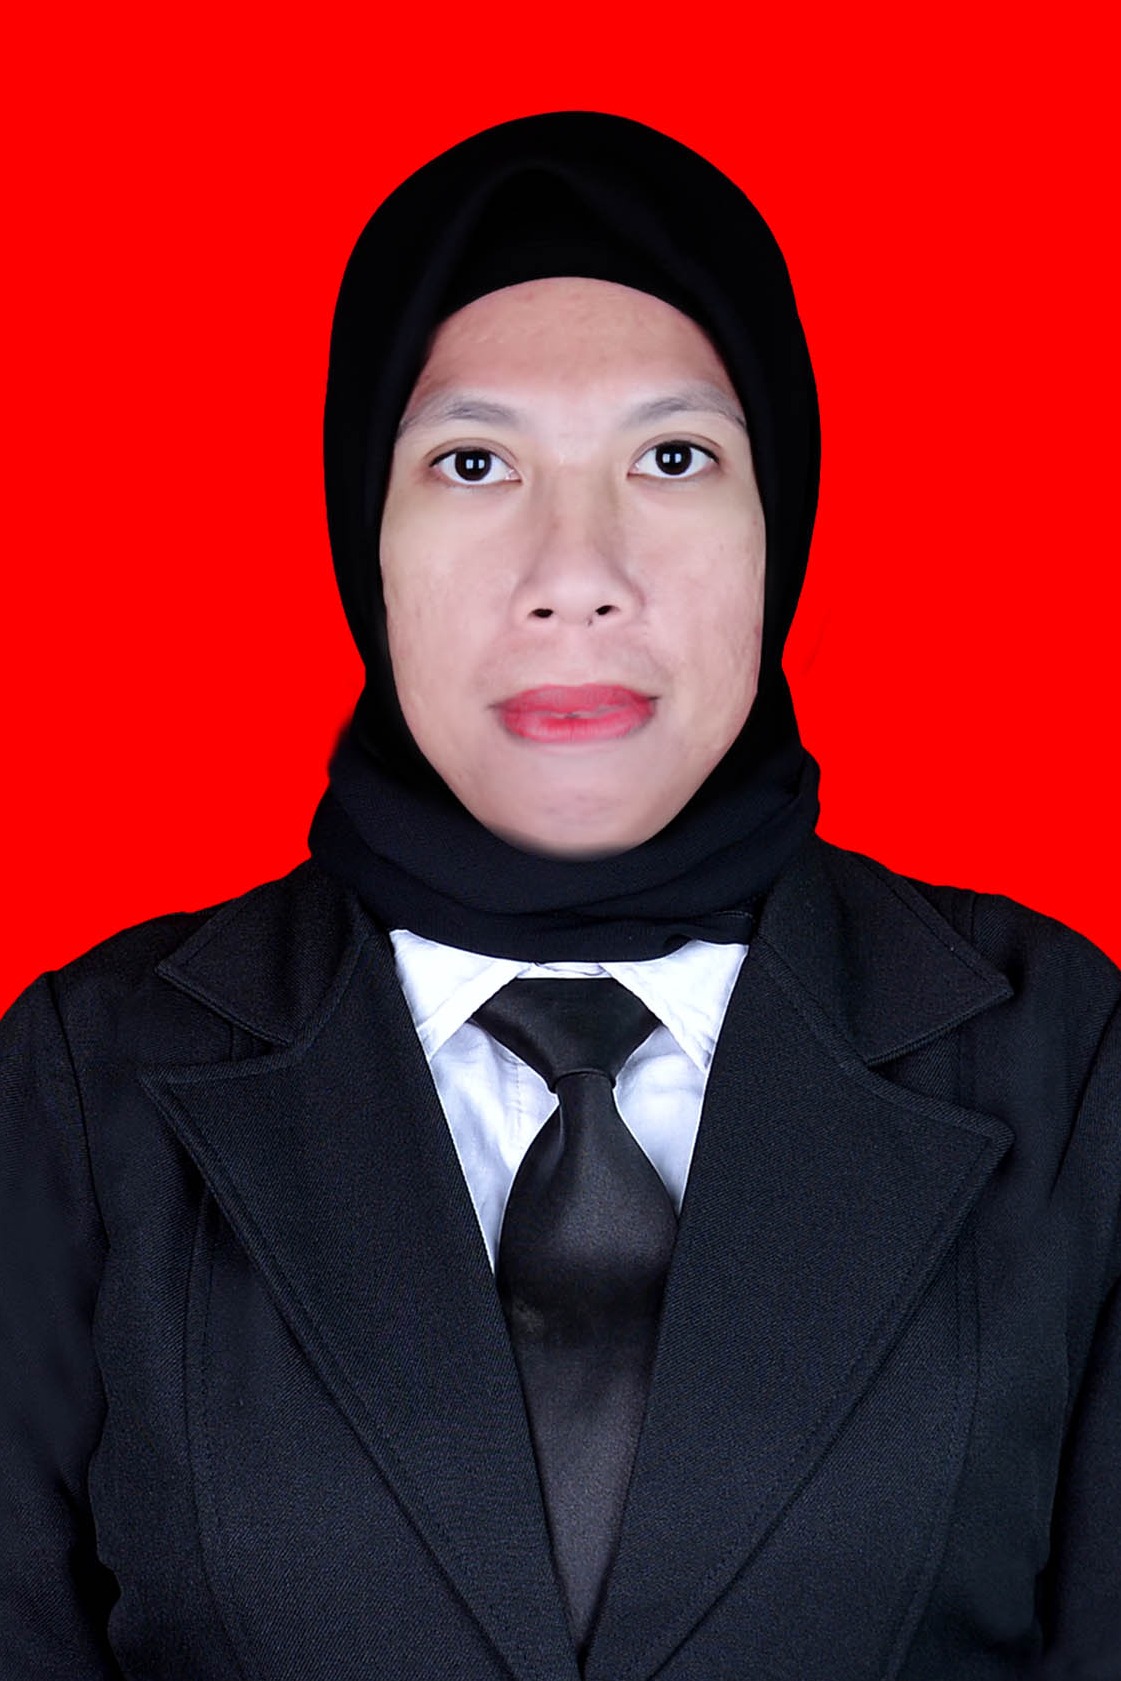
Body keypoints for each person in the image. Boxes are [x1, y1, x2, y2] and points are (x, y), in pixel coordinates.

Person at [2, 110, 1119, 1681]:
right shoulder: (83, 1078)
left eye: (672, 457)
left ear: (781, 516)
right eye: (474, 461)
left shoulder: (1063, 1056)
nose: (575, 570)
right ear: (363, 526)